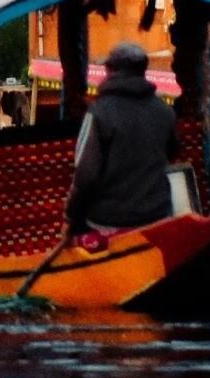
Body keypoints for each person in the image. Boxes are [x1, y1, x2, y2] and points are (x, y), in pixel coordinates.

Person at [66, 42, 177, 237]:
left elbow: (85, 176)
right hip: (158, 217)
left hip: (109, 221)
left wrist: (72, 216)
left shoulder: (99, 113)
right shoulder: (164, 111)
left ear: (112, 72)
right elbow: (173, 152)